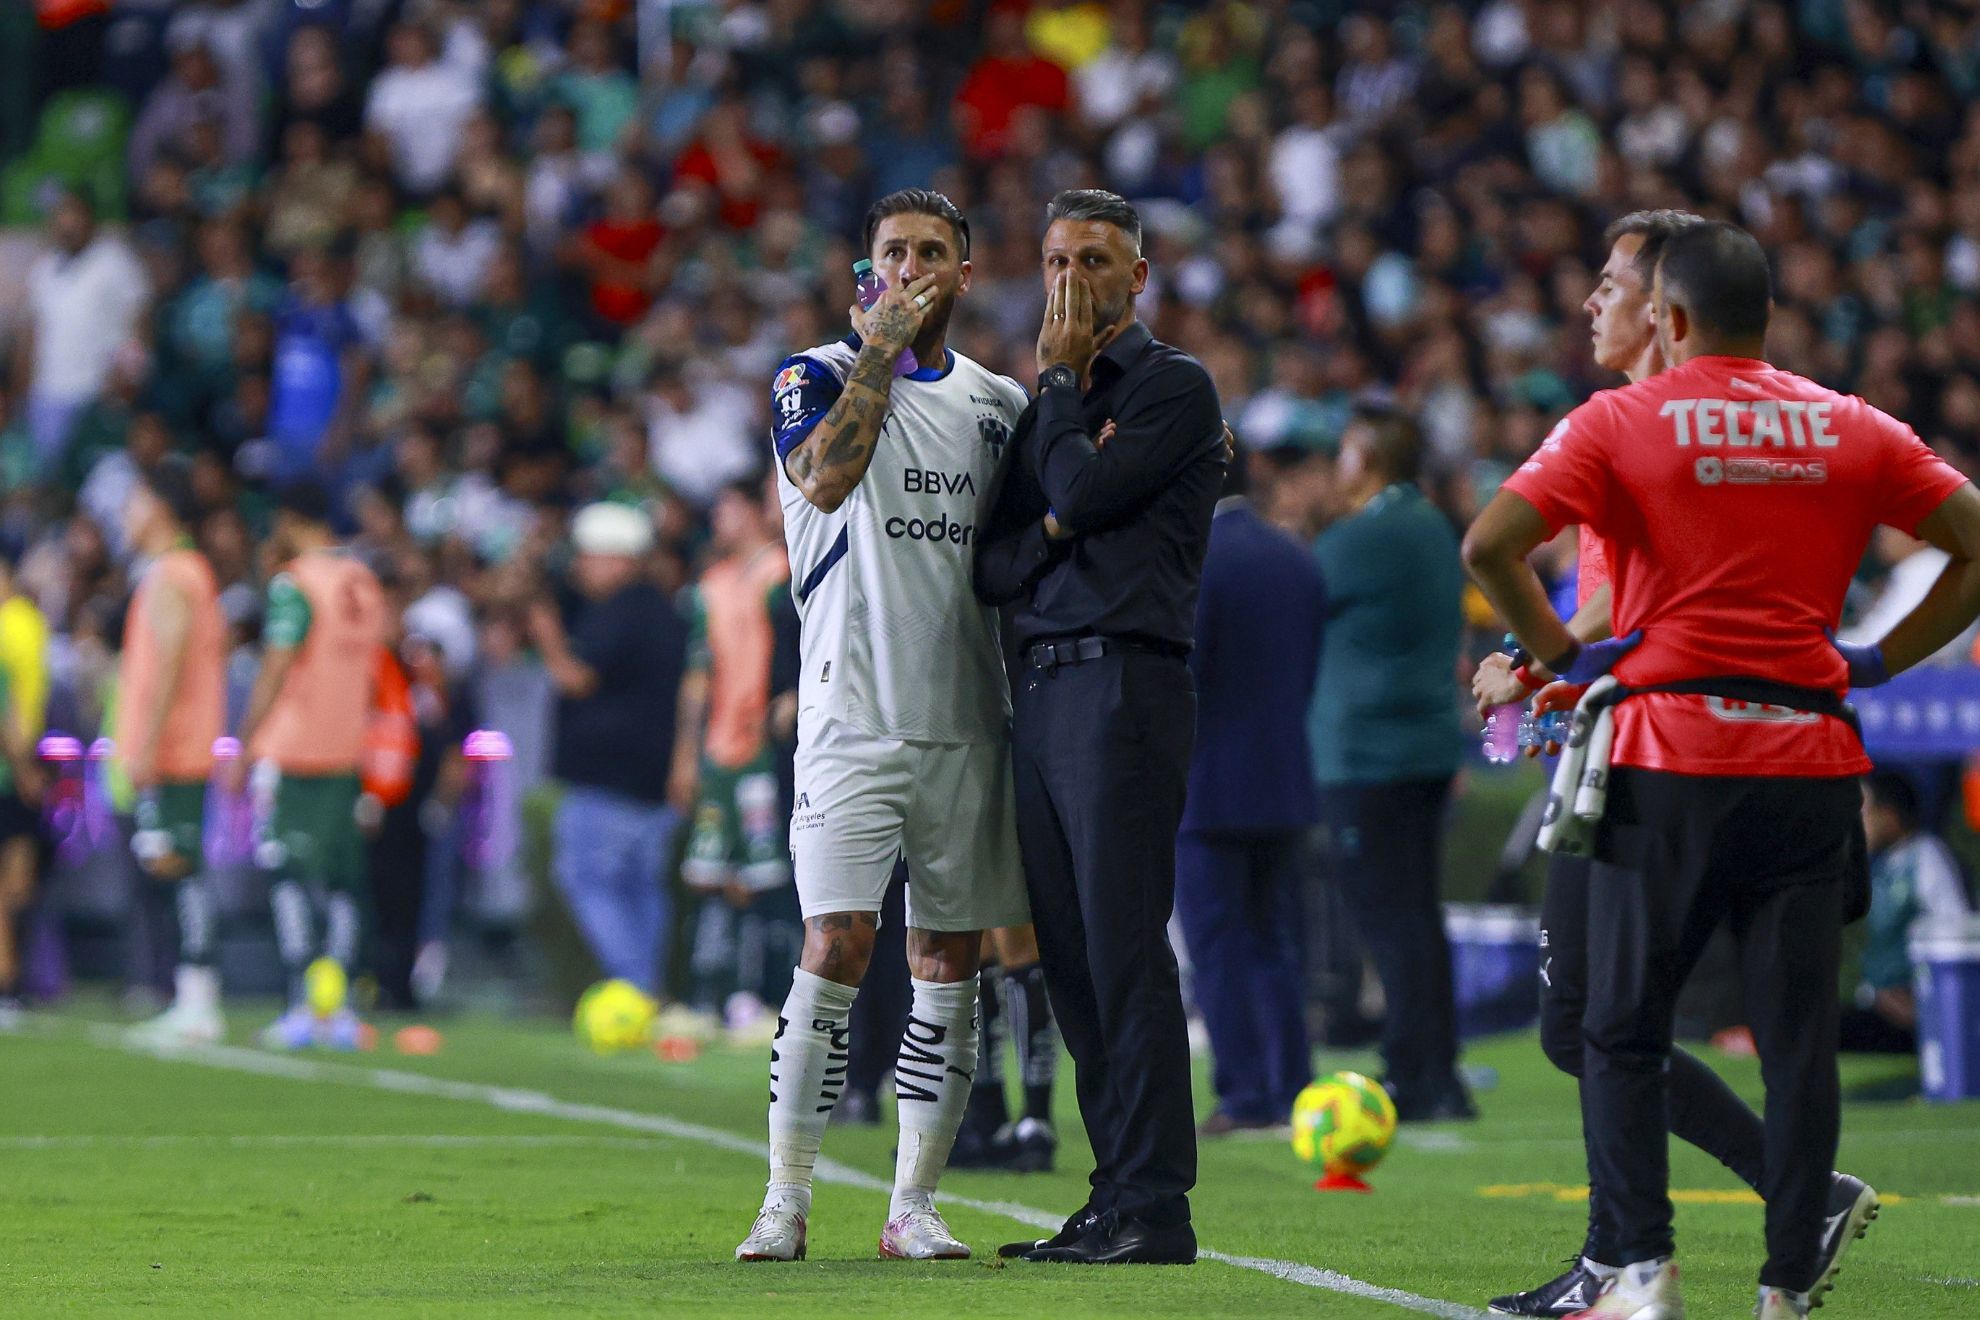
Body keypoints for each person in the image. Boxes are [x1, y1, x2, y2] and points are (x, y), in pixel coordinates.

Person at [1463, 220, 1980, 1319]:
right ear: (1773, 319)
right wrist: (1880, 657)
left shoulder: (1619, 422)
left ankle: (1639, 1270)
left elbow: (1490, 545)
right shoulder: (1849, 423)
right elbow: (1975, 539)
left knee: (1615, 1025)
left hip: (1669, 756)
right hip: (1812, 762)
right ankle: (1787, 1284)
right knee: (1799, 1045)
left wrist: (1555, 658)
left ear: (1673, 315)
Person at [734, 189, 1029, 1264]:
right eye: (892, 253)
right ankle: (787, 1199)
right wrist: (878, 355)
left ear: (963, 271)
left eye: (932, 254)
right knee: (837, 944)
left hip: (964, 718)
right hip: (850, 717)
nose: (910, 269)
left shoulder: (999, 403)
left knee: (950, 959)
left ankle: (914, 1205)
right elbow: (823, 480)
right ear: (866, 272)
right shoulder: (810, 375)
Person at [976, 189, 1225, 1266]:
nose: (1071, 279)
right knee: (1070, 959)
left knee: (1124, 950)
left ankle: (1156, 1204)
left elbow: (1075, 497)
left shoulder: (1172, 387)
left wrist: (1064, 394)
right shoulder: (1047, 407)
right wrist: (1053, 515)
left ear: (1139, 276)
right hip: (1043, 690)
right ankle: (1113, 1190)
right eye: (1057, 259)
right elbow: (992, 560)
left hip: (1126, 685)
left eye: (1095, 260)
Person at [1311, 404, 1473, 1123]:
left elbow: (1302, 595)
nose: (1336, 470)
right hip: (1427, 748)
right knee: (1417, 913)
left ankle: (1416, 1071)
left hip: (1368, 754)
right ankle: (1438, 1068)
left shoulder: (1365, 536)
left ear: (1369, 459)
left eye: (1344, 454)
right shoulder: (1435, 525)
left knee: (1389, 919)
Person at [1174, 451, 1324, 1135]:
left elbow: (1185, 674)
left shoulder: (1196, 558)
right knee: (1275, 940)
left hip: (1208, 781)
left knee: (1217, 945)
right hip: (1285, 775)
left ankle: (1245, 1092)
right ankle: (1294, 1085)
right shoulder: (1295, 558)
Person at [232, 481, 388, 1049]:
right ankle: (340, 1005)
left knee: (289, 876)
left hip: (293, 750)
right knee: (346, 880)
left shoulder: (295, 585)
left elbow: (275, 668)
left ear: (290, 518)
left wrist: (244, 742)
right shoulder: (364, 582)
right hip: (347, 750)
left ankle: (302, 1002)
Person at [528, 502, 687, 999]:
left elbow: (577, 678)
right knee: (642, 890)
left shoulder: (623, 609)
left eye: (589, 556)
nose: (580, 567)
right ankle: (648, 985)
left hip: (609, 779)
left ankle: (635, 986)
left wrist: (547, 636)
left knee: (587, 878)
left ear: (619, 558)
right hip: (650, 778)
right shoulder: (663, 608)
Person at [669, 478, 797, 1042]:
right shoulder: (711, 587)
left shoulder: (783, 574)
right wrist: (685, 755)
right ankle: (706, 998)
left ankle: (760, 999)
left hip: (765, 749)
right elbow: (697, 678)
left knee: (764, 880)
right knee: (709, 876)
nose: (718, 518)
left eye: (725, 507)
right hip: (719, 752)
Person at [118, 466, 230, 1046]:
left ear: (160, 507)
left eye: (133, 502)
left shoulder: (173, 574)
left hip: (174, 750)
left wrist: (145, 745)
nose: (125, 514)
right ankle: (192, 996)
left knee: (180, 871)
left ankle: (198, 999)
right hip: (181, 745)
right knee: (176, 870)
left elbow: (167, 665)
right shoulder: (189, 572)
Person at [1844, 771, 1971, 1054]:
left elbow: (1955, 934)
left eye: (1864, 812)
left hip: (1915, 1013)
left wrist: (1922, 999)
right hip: (1878, 1006)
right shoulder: (1876, 866)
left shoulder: (1926, 857)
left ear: (1889, 814)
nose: (1858, 823)